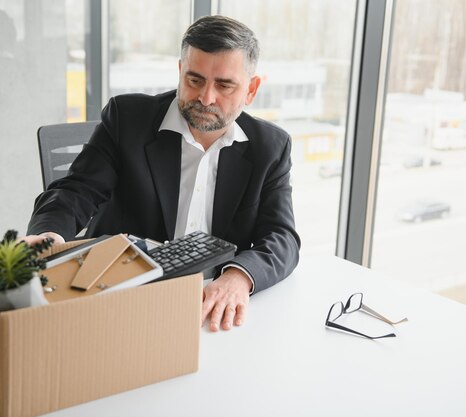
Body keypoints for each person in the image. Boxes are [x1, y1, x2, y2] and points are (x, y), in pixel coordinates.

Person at [25, 15, 300, 331]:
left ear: (251, 90)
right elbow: (76, 190)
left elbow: (282, 236)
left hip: (208, 309)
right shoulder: (127, 119)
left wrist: (239, 276)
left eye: (224, 85)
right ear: (180, 72)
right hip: (122, 299)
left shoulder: (270, 147)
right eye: (194, 80)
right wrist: (50, 236)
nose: (206, 98)